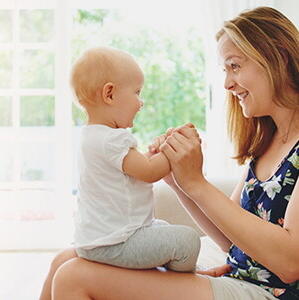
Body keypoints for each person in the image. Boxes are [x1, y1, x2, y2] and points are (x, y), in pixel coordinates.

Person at [44, 6, 299, 300]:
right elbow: (229, 240)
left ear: (278, 55)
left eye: (235, 66)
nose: (228, 83)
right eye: (225, 70)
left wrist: (197, 183)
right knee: (63, 261)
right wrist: (178, 181)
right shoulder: (268, 144)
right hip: (240, 277)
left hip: (272, 293)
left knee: (73, 277)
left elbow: (290, 264)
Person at [39, 46, 201, 299]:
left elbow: (134, 171)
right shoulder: (114, 139)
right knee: (188, 240)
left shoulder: (92, 136)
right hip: (119, 241)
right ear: (110, 94)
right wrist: (176, 148)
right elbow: (148, 172)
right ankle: (179, 281)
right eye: (137, 92)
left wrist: (156, 155)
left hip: (95, 240)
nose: (141, 102)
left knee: (162, 226)